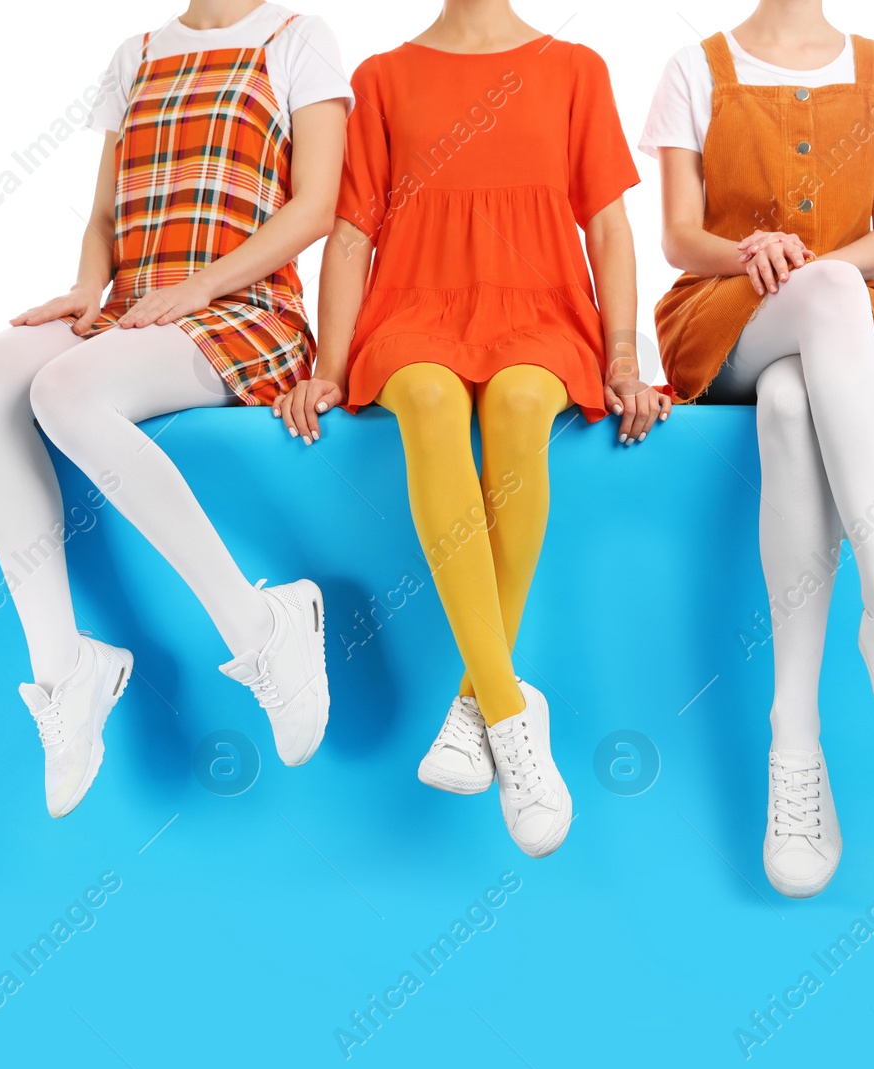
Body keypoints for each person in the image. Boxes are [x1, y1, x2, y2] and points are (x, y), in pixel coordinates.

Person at [277, 1, 668, 857]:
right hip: (415, 307)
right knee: (427, 398)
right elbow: (349, 237)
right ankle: (511, 714)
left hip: (541, 309)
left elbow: (608, 227)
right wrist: (331, 367)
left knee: (525, 404)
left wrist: (625, 358)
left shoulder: (576, 68)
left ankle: (474, 703)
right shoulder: (380, 78)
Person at [0, 0, 349, 817]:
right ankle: (66, 671)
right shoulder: (133, 53)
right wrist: (85, 292)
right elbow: (104, 215)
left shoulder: (298, 38)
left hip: (242, 310)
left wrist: (195, 289)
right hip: (133, 308)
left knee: (65, 390)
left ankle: (262, 624)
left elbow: (315, 208)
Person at [642, 0, 874, 896]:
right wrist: (754, 250)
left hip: (843, 327)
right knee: (819, 299)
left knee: (792, 406)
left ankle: (796, 743)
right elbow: (677, 234)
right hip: (719, 317)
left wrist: (822, 271)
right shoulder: (695, 66)